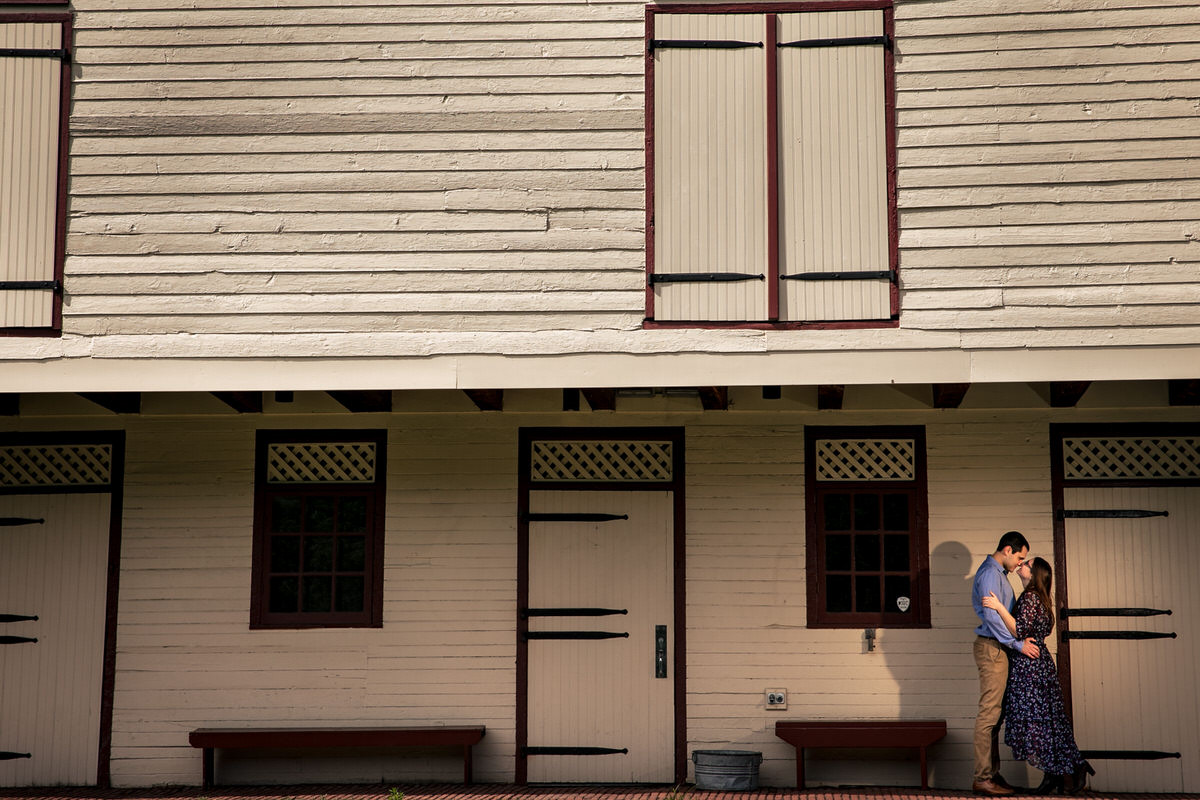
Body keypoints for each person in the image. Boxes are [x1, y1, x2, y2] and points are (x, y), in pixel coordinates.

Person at [983, 557, 1095, 794]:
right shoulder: (1042, 598)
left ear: (1033, 574)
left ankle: (1061, 770)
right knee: (1049, 720)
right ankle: (1063, 770)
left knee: (1035, 721)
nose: (1021, 565)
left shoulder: (1030, 597)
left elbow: (1019, 630)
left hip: (1030, 667)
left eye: (1026, 564)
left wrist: (998, 606)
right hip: (1041, 664)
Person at [971, 531, 1039, 796]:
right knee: (989, 714)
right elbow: (992, 618)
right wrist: (1017, 644)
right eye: (1019, 557)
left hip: (1000, 648)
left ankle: (992, 774)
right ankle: (982, 778)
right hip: (993, 648)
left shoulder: (999, 574)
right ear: (1008, 550)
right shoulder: (990, 573)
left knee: (996, 716)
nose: (1020, 564)